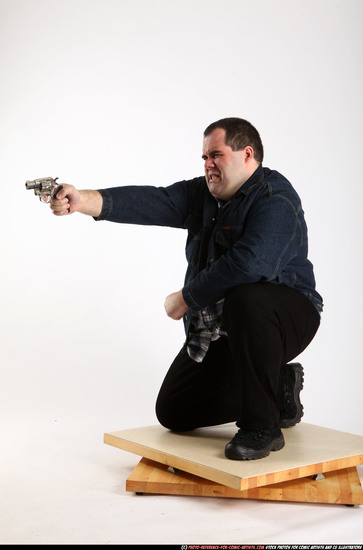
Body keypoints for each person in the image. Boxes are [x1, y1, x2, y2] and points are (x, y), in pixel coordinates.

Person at [50, 117, 323, 460]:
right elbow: (154, 201)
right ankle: (278, 385)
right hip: (226, 330)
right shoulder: (201, 194)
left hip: (286, 318)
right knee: (175, 411)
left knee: (247, 295)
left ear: (247, 154)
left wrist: (186, 298)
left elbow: (250, 264)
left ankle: (261, 427)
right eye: (204, 158)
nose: (207, 164)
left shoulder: (276, 198)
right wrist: (81, 200)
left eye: (216, 155)